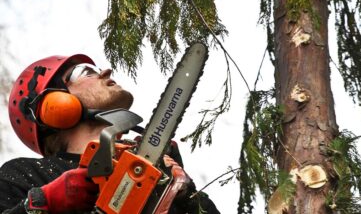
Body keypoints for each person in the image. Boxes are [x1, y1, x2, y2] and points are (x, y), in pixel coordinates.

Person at [0, 54, 220, 214]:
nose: (105, 71)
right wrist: (43, 202)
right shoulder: (26, 174)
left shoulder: (155, 173)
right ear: (52, 105)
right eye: (85, 72)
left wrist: (185, 195)